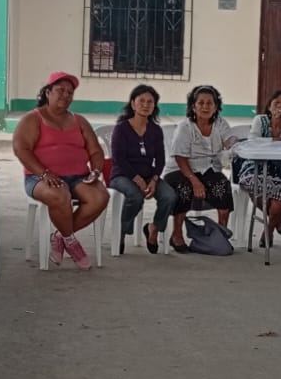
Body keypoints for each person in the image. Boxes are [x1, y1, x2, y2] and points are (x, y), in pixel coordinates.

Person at [13, 71, 110, 269]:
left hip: (79, 176)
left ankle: (60, 236)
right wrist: (44, 173)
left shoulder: (80, 120)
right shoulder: (32, 119)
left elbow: (95, 151)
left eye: (70, 92)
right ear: (48, 92)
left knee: (100, 196)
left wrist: (95, 171)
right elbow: (21, 149)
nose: (66, 95)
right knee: (59, 194)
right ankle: (71, 242)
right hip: (40, 177)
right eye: (60, 90)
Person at [165, 84, 237, 253]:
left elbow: (229, 138)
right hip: (179, 169)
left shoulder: (220, 123)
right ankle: (176, 235)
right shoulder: (185, 127)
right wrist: (195, 181)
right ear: (193, 106)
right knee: (184, 189)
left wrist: (232, 143)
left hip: (207, 168)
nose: (205, 107)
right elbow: (180, 158)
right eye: (201, 103)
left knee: (222, 186)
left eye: (209, 103)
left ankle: (220, 235)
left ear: (216, 107)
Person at [109, 83, 178, 254]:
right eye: (141, 101)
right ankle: (121, 232)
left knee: (169, 196)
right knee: (135, 196)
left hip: (148, 175)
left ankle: (154, 228)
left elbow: (160, 159)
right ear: (133, 104)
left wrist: (154, 179)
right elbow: (119, 159)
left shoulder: (155, 130)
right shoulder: (121, 128)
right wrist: (136, 178)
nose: (146, 105)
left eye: (150, 102)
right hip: (122, 175)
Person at [235, 89, 281, 246]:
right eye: (276, 103)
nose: (280, 107)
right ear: (269, 106)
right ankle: (278, 222)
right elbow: (254, 141)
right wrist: (278, 141)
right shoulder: (260, 120)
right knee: (254, 185)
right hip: (256, 165)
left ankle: (268, 230)